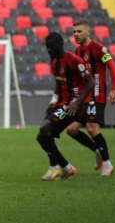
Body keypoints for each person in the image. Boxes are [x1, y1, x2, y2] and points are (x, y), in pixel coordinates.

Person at [65, 20, 115, 177]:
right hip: (85, 96)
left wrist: (114, 88)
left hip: (97, 94)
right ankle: (97, 151)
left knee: (91, 127)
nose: (76, 34)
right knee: (71, 129)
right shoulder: (77, 51)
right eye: (74, 31)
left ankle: (108, 165)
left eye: (79, 31)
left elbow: (112, 66)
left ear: (88, 32)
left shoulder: (98, 49)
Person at [38, 33, 95, 181]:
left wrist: (78, 102)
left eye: (51, 47)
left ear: (59, 45)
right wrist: (53, 100)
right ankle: (66, 167)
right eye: (47, 48)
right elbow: (58, 82)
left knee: (45, 128)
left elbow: (90, 82)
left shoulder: (74, 60)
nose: (48, 51)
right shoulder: (54, 61)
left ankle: (55, 167)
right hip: (60, 102)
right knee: (42, 137)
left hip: (72, 104)